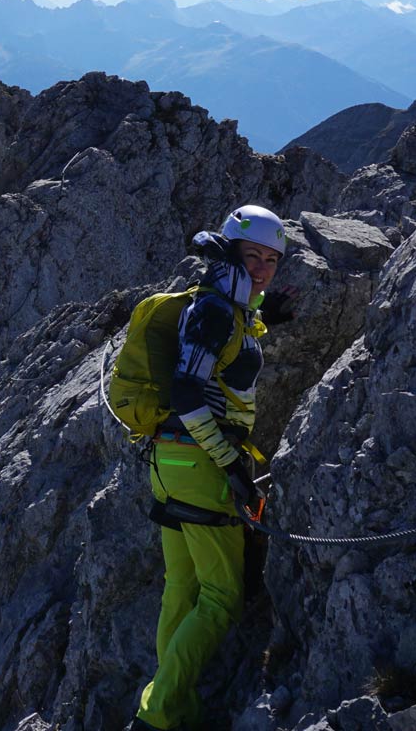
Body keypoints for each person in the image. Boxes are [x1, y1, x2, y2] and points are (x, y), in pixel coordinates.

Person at [131, 205, 285, 731]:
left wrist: (264, 317)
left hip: (168, 459)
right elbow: (187, 390)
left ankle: (170, 704)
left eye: (272, 259)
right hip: (200, 462)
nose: (263, 268)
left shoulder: (223, 308)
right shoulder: (215, 311)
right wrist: (230, 464)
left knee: (182, 586)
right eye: (253, 256)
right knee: (221, 598)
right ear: (230, 255)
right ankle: (158, 715)